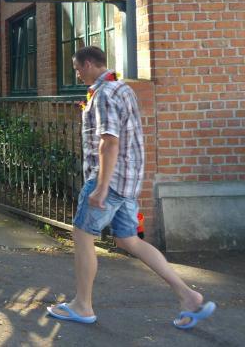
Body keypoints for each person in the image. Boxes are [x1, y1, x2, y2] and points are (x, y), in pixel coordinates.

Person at [47, 46, 215, 330]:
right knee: (128, 240)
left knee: (82, 234)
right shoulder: (122, 89)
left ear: (88, 64)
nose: (77, 75)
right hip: (128, 180)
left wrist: (101, 187)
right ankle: (189, 296)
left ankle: (82, 305)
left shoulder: (104, 94)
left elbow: (109, 142)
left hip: (109, 180)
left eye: (77, 69)